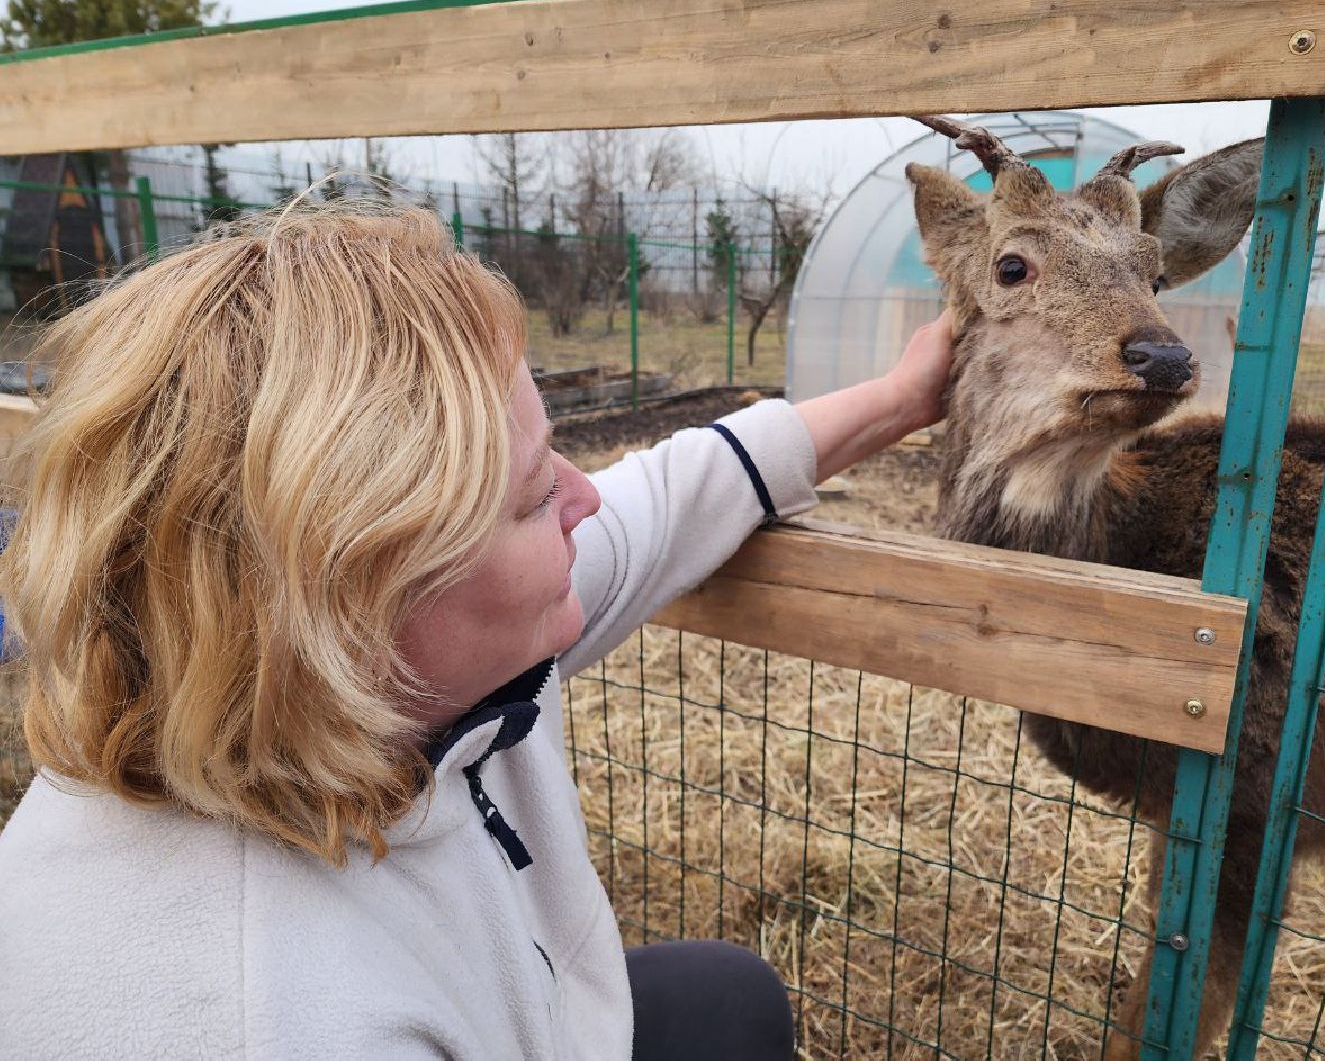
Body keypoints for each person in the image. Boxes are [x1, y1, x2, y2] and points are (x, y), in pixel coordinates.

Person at [0, 201, 953, 1059]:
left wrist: (906, 397)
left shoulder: (325, 669)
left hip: (538, 1022)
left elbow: (668, 496)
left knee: (725, 993)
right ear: (362, 590)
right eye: (540, 492)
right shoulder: (280, 1020)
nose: (587, 497)